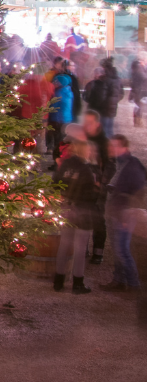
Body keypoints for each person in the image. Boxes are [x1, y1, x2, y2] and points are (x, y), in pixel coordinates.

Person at [54, 134, 100, 294]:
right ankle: (78, 283)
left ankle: (58, 281)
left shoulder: (66, 164)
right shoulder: (87, 169)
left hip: (66, 208)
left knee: (64, 244)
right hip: (83, 211)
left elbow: (55, 183)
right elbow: (91, 196)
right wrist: (97, 188)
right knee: (80, 249)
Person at [102, 134, 146, 293]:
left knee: (122, 249)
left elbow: (138, 191)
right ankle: (118, 280)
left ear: (124, 147)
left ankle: (134, 284)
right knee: (116, 249)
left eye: (114, 146)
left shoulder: (132, 166)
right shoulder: (118, 164)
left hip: (124, 214)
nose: (111, 149)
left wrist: (128, 213)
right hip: (115, 212)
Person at [82, 109, 112, 265]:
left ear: (97, 124)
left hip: (98, 188)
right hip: (82, 187)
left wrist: (101, 182)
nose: (86, 125)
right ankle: (83, 248)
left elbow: (111, 165)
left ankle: (98, 252)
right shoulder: (80, 138)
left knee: (98, 219)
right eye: (85, 122)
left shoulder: (105, 143)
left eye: (90, 122)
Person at [47, 60, 77, 166]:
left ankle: (57, 163)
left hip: (57, 120)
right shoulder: (69, 91)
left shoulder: (58, 93)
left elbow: (52, 107)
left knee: (57, 142)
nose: (54, 84)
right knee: (63, 142)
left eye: (56, 82)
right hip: (66, 120)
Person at [131, 54, 147, 128]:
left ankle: (138, 121)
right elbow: (142, 76)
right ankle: (138, 121)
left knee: (140, 105)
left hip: (140, 89)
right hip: (139, 89)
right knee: (139, 105)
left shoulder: (141, 66)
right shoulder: (138, 66)